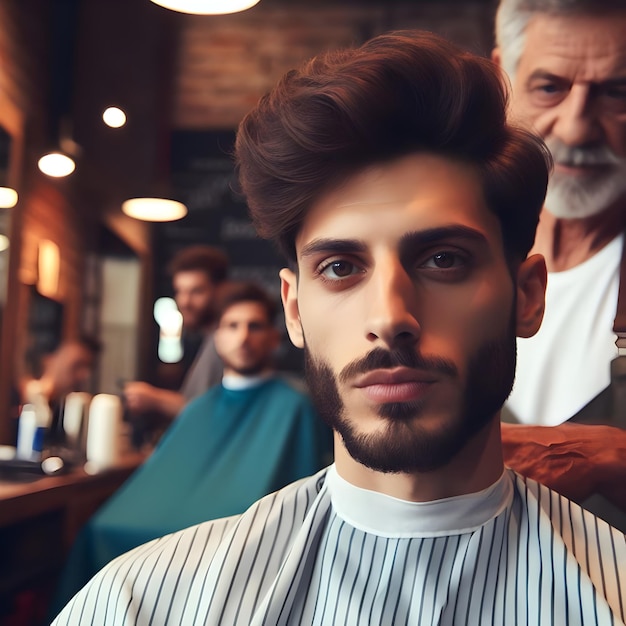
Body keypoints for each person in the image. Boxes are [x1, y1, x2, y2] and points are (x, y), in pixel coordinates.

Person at [52, 31, 626, 626]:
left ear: (527, 296)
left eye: (442, 260)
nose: (389, 318)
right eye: (340, 268)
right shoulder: (140, 605)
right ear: (295, 309)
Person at [49, 281, 332, 616]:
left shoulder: (295, 406)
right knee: (97, 531)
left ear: (274, 337)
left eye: (254, 326)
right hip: (165, 524)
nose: (242, 337)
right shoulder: (199, 408)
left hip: (239, 536)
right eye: (231, 326)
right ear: (215, 337)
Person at [492, 0, 626, 528]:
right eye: (550, 88)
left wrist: (605, 457)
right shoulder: (439, 253)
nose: (575, 129)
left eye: (618, 92)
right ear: (504, 77)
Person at [123, 245, 229, 425]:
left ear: (220, 290)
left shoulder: (223, 340)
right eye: (180, 291)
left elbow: (205, 411)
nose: (185, 302)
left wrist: (154, 398)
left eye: (196, 291)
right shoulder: (209, 338)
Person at [15, 335, 101, 446]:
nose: (84, 376)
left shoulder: (66, 408)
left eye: (88, 368)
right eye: (77, 365)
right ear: (49, 359)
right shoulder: (23, 397)